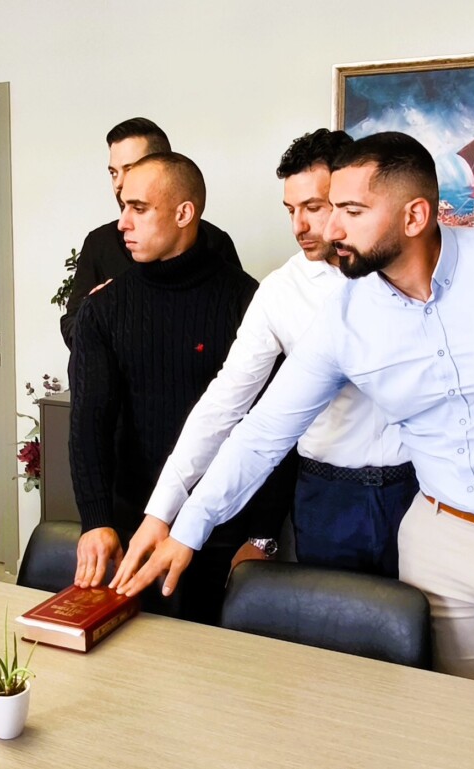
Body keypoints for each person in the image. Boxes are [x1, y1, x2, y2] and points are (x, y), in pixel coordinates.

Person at [115, 132, 474, 761]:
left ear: (414, 215)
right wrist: (186, 527)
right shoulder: (345, 317)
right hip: (442, 546)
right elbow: (263, 430)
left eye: (350, 211)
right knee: (458, 740)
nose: (329, 229)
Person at [143, 128, 413, 576]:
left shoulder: (405, 272)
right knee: (328, 619)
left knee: (421, 619)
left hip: (417, 488)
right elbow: (225, 403)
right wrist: (163, 510)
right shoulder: (279, 292)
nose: (298, 227)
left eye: (313, 208)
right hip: (326, 496)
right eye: (291, 210)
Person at [67, 151, 291, 624]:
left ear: (184, 212)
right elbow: (88, 423)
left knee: (216, 659)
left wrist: (263, 535)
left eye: (139, 208)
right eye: (123, 207)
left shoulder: (248, 302)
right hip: (134, 524)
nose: (122, 223)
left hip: (225, 526)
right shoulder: (104, 310)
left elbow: (276, 426)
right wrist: (96, 519)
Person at [60, 118, 240, 347]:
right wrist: (95, 313)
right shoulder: (99, 244)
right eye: (113, 173)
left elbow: (240, 334)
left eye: (130, 169)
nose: (119, 184)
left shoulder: (215, 243)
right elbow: (73, 326)